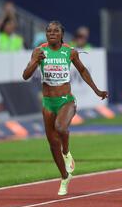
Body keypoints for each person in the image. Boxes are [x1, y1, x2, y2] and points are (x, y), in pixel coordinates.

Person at [22, 21, 108, 195]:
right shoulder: (39, 51)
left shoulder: (70, 52)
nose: (52, 33)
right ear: (46, 34)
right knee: (52, 144)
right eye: (49, 31)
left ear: (62, 34)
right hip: (48, 102)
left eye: (56, 31)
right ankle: (64, 177)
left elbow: (83, 71)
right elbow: (25, 75)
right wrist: (34, 63)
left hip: (66, 100)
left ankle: (67, 152)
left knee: (61, 128)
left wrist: (97, 90)